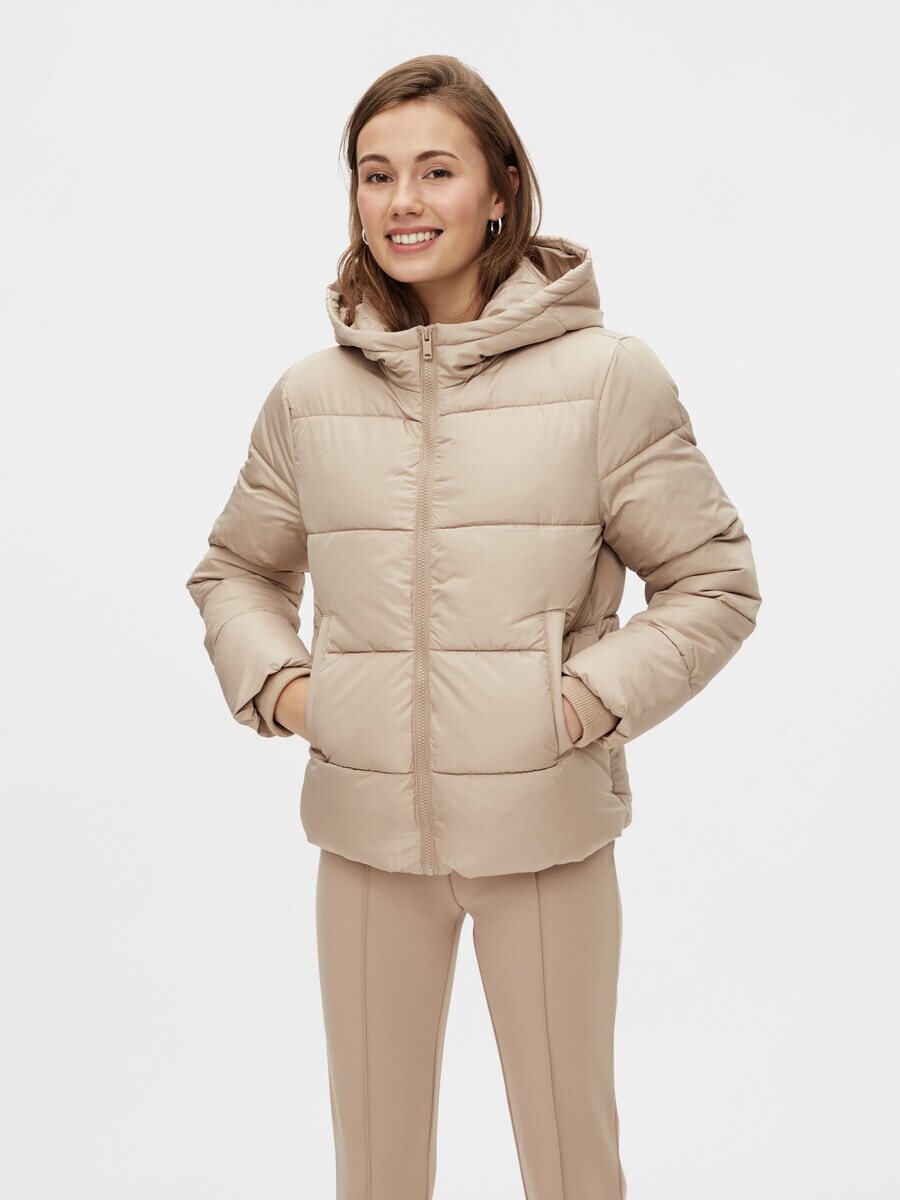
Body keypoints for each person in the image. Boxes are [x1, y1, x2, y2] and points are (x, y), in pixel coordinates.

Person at [186, 53, 762, 1200]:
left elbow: (715, 581)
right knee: (374, 1171)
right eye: (376, 174)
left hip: (543, 834)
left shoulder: (607, 381)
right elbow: (236, 572)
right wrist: (296, 694)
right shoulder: (310, 398)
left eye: (435, 171)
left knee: (571, 1167)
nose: (402, 201)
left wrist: (577, 704)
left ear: (500, 188)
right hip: (365, 841)